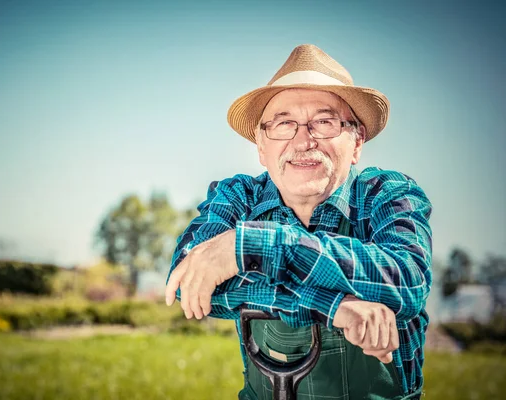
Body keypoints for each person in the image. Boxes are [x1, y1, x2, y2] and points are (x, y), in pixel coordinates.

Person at [164, 44, 432, 399]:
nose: (303, 140)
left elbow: (406, 281)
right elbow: (187, 284)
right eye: (284, 124)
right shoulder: (238, 198)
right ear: (261, 146)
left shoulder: (386, 194)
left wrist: (254, 246)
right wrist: (334, 307)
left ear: (356, 141)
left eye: (324, 122)